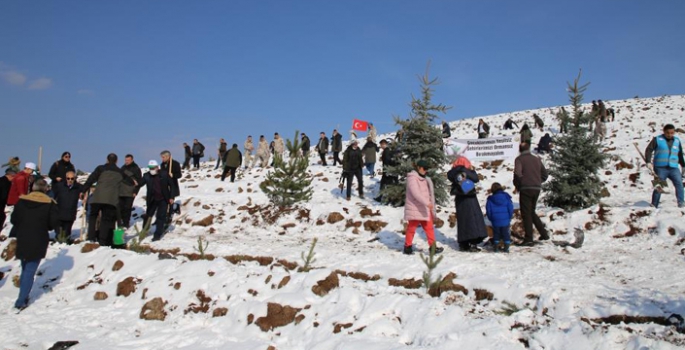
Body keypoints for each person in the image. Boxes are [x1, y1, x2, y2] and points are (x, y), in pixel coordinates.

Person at [9, 179, 59, 310]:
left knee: (25, 268)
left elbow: (14, 219)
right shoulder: (49, 203)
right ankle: (21, 300)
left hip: (23, 236)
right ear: (45, 189)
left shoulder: (22, 201)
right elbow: (52, 224)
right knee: (29, 271)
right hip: (38, 238)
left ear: (33, 188)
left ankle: (23, 295)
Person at [81, 153, 131, 246]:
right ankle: (103, 241)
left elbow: (90, 179)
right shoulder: (120, 171)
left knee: (93, 216)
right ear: (116, 161)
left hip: (97, 197)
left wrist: (83, 190)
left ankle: (91, 238)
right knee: (106, 220)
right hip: (111, 200)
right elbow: (130, 182)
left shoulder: (100, 168)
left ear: (107, 160)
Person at [403, 160, 443, 255]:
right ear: (419, 168)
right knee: (411, 228)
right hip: (415, 208)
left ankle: (432, 247)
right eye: (425, 169)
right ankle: (407, 246)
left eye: (427, 169)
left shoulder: (425, 178)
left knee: (429, 227)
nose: (426, 171)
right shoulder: (412, 178)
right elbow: (416, 193)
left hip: (424, 208)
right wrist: (427, 203)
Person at [513, 143, 550, 245]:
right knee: (531, 211)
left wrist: (518, 185)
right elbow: (545, 174)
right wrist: (537, 181)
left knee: (526, 213)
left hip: (526, 188)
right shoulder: (537, 159)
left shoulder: (519, 159)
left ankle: (529, 238)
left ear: (520, 150)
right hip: (536, 188)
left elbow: (518, 173)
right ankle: (544, 234)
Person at [447, 159, 488, 251]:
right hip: (469, 197)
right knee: (472, 219)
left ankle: (463, 243)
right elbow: (475, 178)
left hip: (459, 198)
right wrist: (470, 170)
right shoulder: (465, 171)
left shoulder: (453, 172)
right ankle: (473, 242)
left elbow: (450, 176)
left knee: (463, 220)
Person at [645, 124, 685, 208]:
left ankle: (681, 203)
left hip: (673, 168)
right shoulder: (657, 139)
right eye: (668, 133)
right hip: (660, 168)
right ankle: (654, 204)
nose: (670, 135)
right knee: (659, 186)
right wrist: (648, 161)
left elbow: (680, 154)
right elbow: (649, 150)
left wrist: (683, 165)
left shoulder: (677, 141)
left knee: (679, 184)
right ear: (664, 132)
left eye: (672, 133)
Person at [138, 160, 174, 241]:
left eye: (153, 168)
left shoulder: (164, 174)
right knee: (148, 216)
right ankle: (144, 231)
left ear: (157, 167)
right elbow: (139, 183)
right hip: (152, 199)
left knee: (160, 217)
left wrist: (171, 197)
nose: (151, 170)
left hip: (163, 199)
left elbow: (172, 186)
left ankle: (157, 235)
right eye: (150, 168)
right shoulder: (147, 175)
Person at [52, 170, 83, 240]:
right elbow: (53, 196)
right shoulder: (60, 186)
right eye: (68, 178)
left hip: (70, 213)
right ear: (65, 178)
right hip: (60, 212)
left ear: (75, 178)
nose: (70, 180)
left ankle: (66, 240)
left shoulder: (78, 187)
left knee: (66, 234)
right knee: (59, 233)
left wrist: (83, 195)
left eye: (72, 178)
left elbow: (85, 190)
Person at [486, 182, 514, 253]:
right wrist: (509, 217)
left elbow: (488, 211)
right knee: (506, 233)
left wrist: (491, 218)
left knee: (496, 234)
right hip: (505, 220)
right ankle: (506, 248)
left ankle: (496, 248)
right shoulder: (506, 197)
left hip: (495, 220)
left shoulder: (490, 199)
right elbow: (510, 208)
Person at [119, 154, 142, 228]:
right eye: (126, 160)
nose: (127, 162)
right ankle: (121, 222)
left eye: (128, 160)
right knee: (120, 207)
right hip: (121, 191)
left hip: (130, 191)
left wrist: (135, 191)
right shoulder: (123, 167)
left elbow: (139, 181)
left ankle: (126, 223)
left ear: (132, 160)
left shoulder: (136, 168)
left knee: (127, 208)